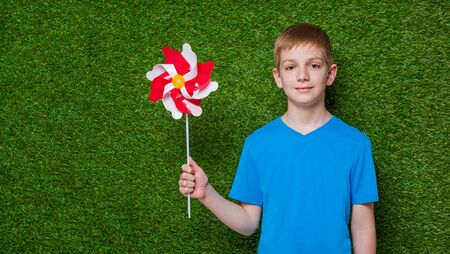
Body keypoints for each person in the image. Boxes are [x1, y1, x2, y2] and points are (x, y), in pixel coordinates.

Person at [178, 23, 378, 253]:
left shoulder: (356, 144)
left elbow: (362, 226)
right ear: (278, 77)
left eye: (313, 65)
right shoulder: (257, 144)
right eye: (291, 67)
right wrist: (206, 193)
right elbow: (248, 224)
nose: (302, 76)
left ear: (330, 74)